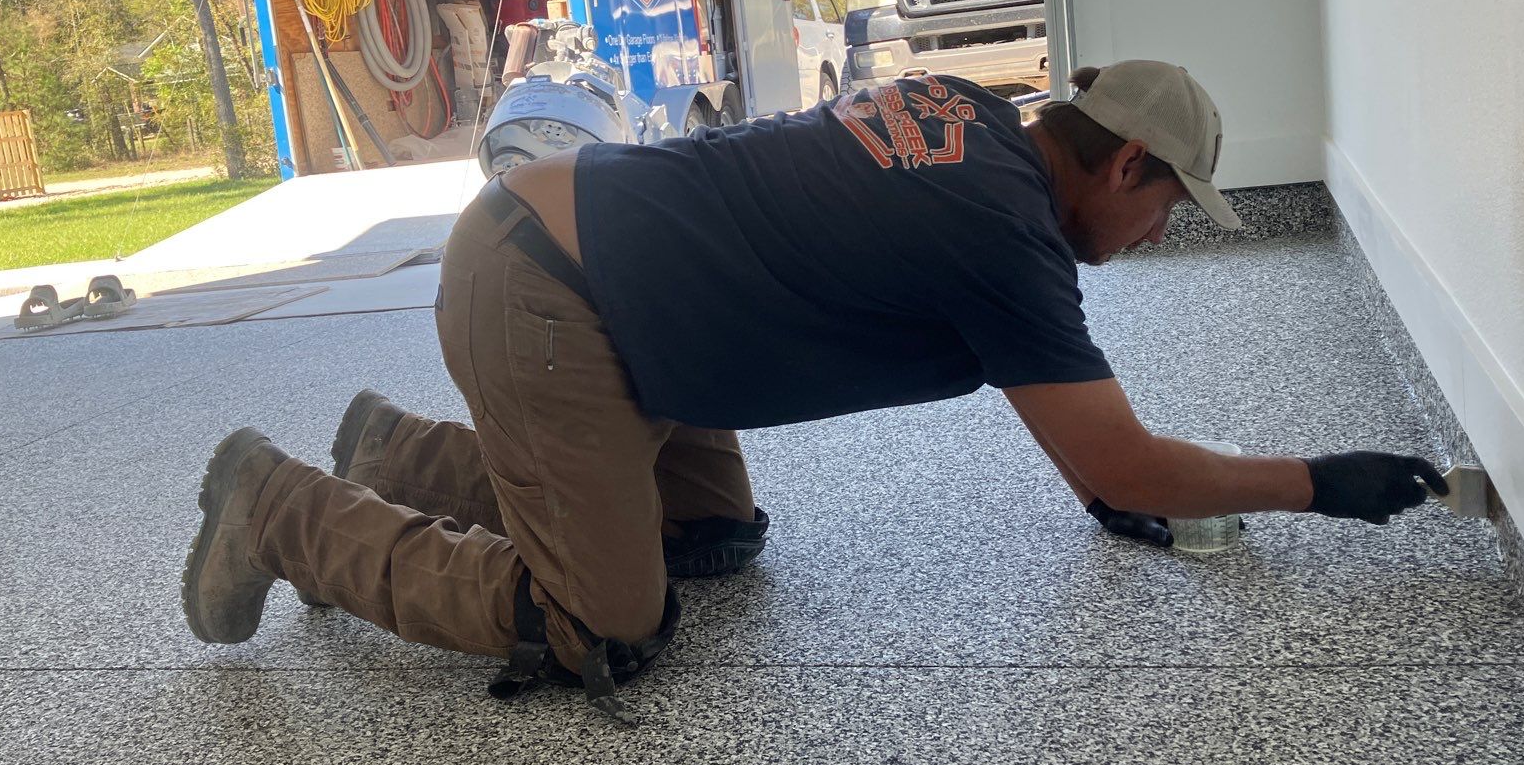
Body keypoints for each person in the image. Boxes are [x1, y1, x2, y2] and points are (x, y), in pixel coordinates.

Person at [181, 61, 1442, 723]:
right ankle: (281, 509)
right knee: (604, 626)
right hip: (546, 295)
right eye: (1169, 205)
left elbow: (1077, 434)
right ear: (1122, 163)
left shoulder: (976, 126)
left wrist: (1108, 491)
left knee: (715, 539)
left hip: (607, 296)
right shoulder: (1004, 233)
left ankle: (398, 453)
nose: (1165, 234)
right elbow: (1122, 457)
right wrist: (1320, 486)